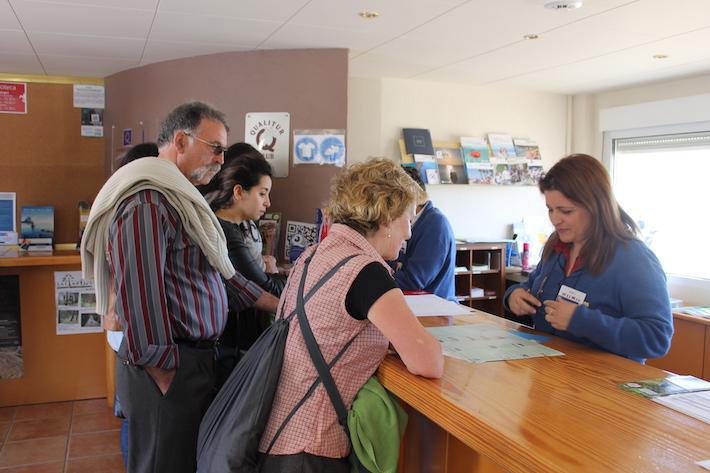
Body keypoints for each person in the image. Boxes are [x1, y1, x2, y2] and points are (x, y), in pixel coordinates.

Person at [81, 101, 279, 473]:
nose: (222, 160)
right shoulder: (148, 202)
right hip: (168, 368)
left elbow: (223, 276)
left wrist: (280, 305)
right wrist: (164, 372)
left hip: (191, 363)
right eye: (216, 147)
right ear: (180, 141)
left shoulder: (183, 201)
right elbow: (140, 295)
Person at [258, 158, 443, 472]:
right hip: (311, 450)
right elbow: (429, 361)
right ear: (385, 217)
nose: (410, 233)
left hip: (277, 438)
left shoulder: (314, 254)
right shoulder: (367, 273)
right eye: (407, 219)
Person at [504, 154, 673, 362]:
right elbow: (531, 287)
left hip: (602, 385)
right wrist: (514, 296)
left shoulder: (634, 259)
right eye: (550, 210)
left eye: (566, 211)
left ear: (595, 206)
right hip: (551, 377)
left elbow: (657, 338)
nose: (555, 219)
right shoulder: (557, 246)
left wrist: (580, 320)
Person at [202, 142, 286, 358]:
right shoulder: (225, 233)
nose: (268, 203)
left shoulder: (234, 228)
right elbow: (266, 287)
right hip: (226, 343)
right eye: (262, 194)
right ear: (239, 192)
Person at [104, 141, 159, 469]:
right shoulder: (139, 209)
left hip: (121, 324)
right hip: (129, 325)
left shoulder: (120, 204)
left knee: (131, 411)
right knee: (135, 416)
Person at [394, 165, 456, 300]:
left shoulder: (435, 225)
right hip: (413, 304)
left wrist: (379, 277)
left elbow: (412, 282)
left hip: (436, 310)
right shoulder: (408, 221)